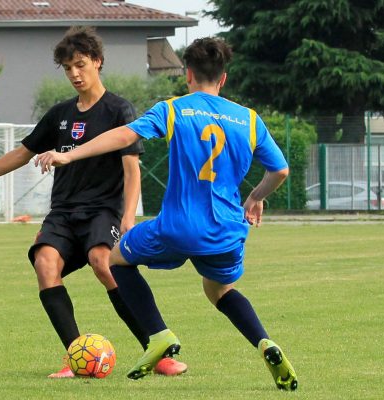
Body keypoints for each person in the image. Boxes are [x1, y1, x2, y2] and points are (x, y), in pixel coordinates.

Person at [36, 37, 298, 390]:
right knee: (220, 290)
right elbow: (280, 171)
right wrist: (255, 196)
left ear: (187, 74)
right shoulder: (249, 120)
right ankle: (264, 341)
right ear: (223, 78)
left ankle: (158, 334)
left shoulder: (174, 109)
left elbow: (124, 135)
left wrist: (69, 154)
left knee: (114, 260)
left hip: (176, 227)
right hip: (226, 231)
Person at [0, 26, 187, 378]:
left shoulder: (119, 110)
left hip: (103, 211)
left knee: (102, 261)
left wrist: (128, 217)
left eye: (80, 64)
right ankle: (77, 355)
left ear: (98, 62)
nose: (74, 74)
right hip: (64, 212)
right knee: (45, 264)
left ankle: (157, 351)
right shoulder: (60, 114)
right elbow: (22, 153)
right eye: (67, 68)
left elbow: (131, 170)